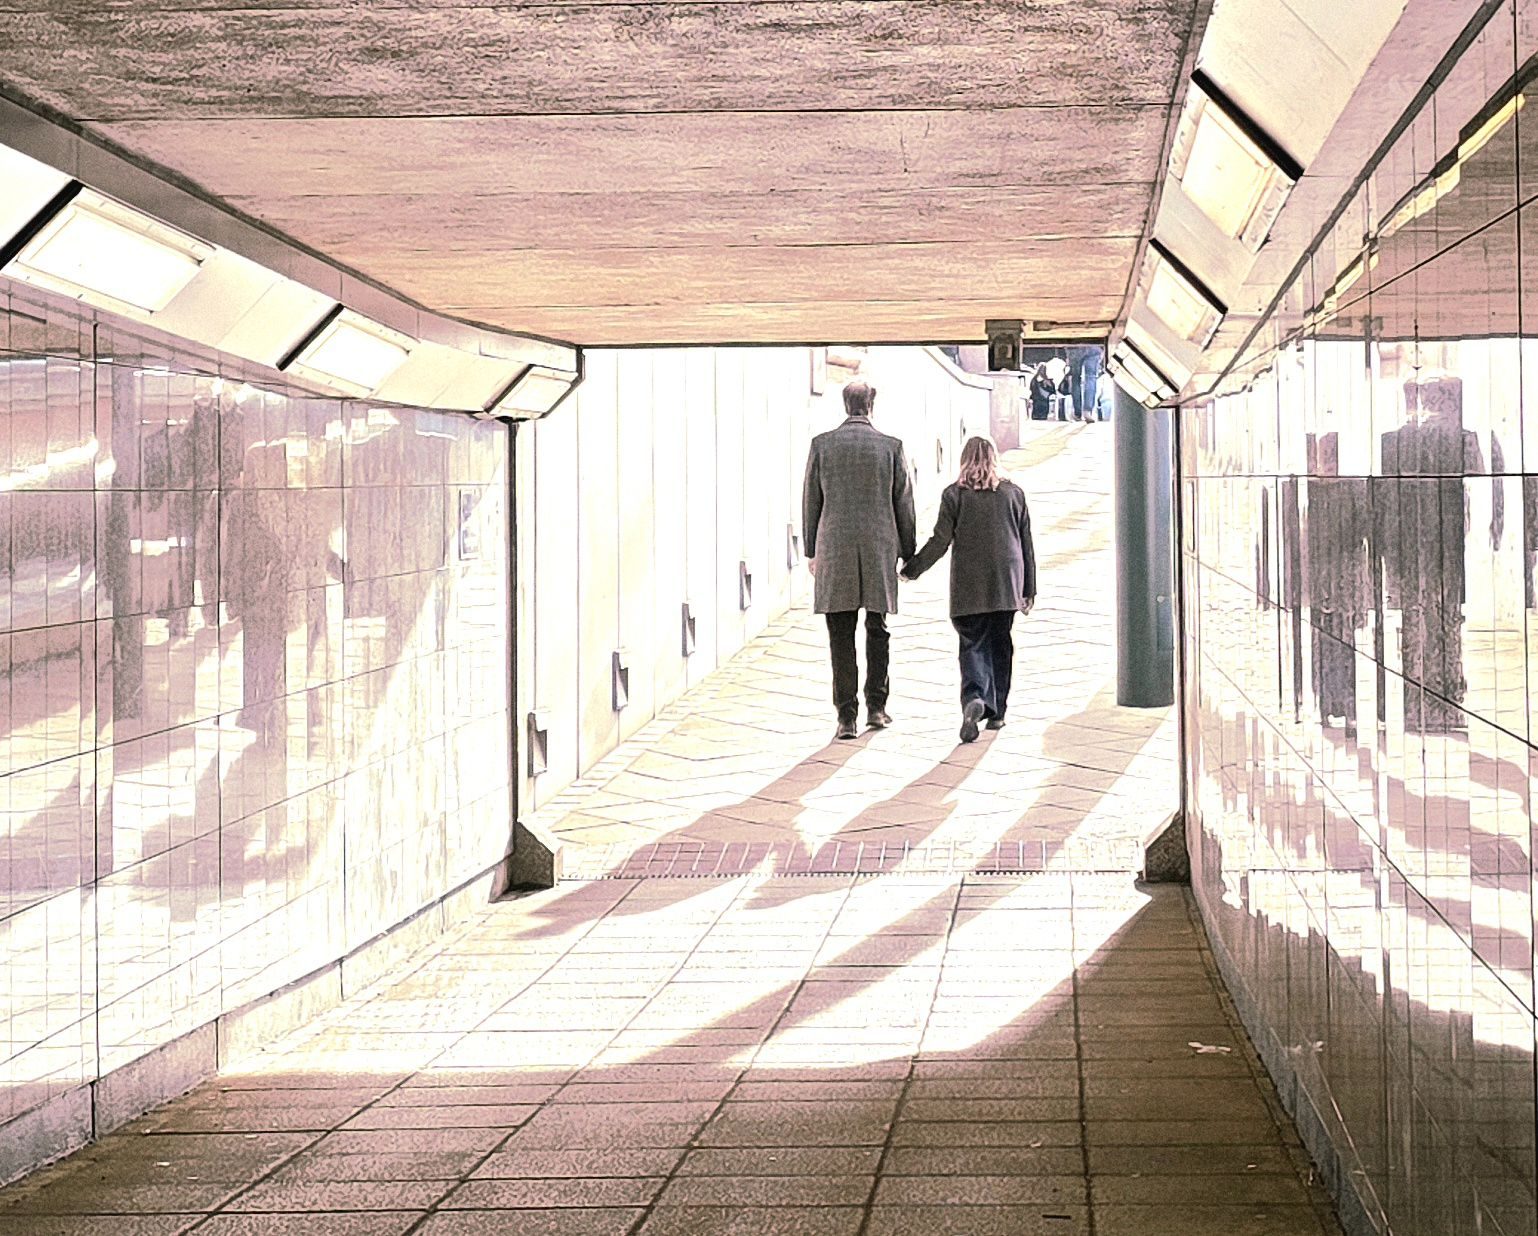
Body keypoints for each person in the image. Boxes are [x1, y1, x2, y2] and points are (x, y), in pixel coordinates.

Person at [802, 379, 917, 740]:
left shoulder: (822, 445)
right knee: (877, 627)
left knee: (840, 632)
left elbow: (811, 501)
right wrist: (909, 552)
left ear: (844, 404)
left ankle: (846, 716)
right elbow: (904, 503)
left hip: (834, 547)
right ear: (872, 404)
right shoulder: (891, 447)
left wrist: (811, 550)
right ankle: (877, 708)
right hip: (878, 547)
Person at [901, 437, 1037, 743]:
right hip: (1007, 583)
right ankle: (998, 711)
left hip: (969, 587)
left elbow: (940, 540)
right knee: (1001, 645)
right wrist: (1029, 589)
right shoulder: (1013, 493)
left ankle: (975, 698)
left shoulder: (954, 495)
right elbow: (1026, 543)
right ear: (994, 459)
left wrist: (912, 569)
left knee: (973, 643)